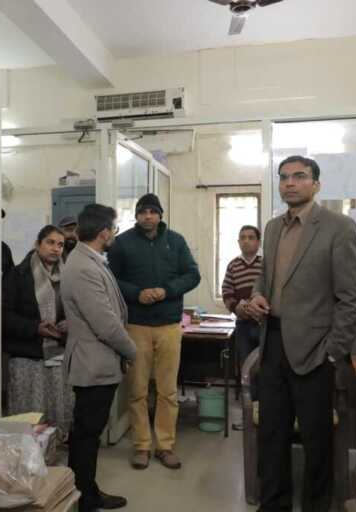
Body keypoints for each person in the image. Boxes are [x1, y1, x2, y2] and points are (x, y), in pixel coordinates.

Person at [247, 155, 356, 512]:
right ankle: (274, 505)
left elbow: (351, 297)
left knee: (317, 440)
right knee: (272, 435)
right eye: (284, 177)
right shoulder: (272, 228)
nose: (290, 183)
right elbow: (265, 278)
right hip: (272, 343)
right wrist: (256, 296)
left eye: (299, 176)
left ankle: (316, 506)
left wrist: (332, 351)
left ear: (316, 184)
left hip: (315, 350)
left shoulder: (338, 227)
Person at [108, 193, 201, 470]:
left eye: (152, 211)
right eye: (143, 212)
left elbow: (192, 275)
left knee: (167, 391)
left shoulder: (176, 241)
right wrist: (137, 293)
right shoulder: (122, 243)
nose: (148, 216)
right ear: (136, 215)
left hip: (169, 325)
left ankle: (165, 446)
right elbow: (112, 280)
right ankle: (141, 446)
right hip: (136, 326)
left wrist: (166, 290)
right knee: (137, 390)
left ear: (160, 215)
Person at [61, 203, 136, 512]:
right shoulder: (83, 267)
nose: (114, 235)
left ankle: (83, 491)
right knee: (87, 434)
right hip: (93, 362)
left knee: (86, 433)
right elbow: (105, 324)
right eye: (113, 229)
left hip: (97, 360)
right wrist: (132, 350)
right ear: (104, 232)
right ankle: (85, 498)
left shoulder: (89, 260)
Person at [3, 225, 72, 435]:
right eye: (50, 242)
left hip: (58, 353)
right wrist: (35, 328)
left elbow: (77, 308)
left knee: (56, 409)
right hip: (27, 356)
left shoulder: (68, 276)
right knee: (29, 414)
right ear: (37, 244)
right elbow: (4, 315)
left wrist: (70, 322)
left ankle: (54, 446)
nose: (56, 248)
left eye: (60, 244)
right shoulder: (18, 275)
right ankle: (29, 450)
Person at [221, 224, 263, 430]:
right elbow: (226, 292)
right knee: (247, 371)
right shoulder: (233, 265)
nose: (246, 241)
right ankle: (249, 418)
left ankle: (266, 416)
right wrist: (236, 306)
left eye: (250, 237)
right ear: (238, 242)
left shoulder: (266, 265)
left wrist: (259, 307)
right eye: (242, 238)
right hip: (243, 326)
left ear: (258, 242)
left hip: (265, 325)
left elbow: (273, 289)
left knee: (266, 370)